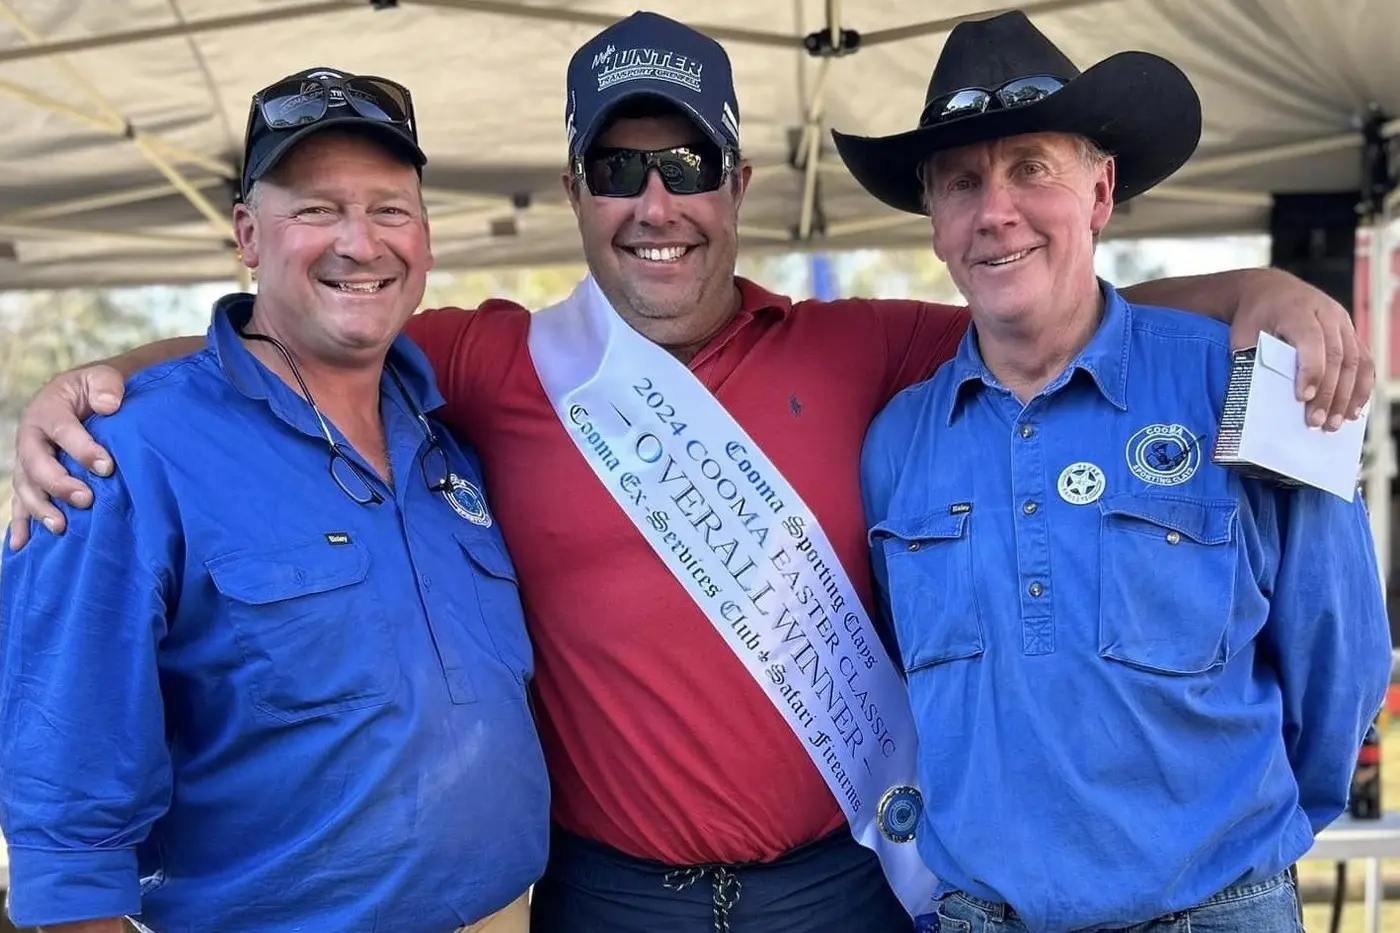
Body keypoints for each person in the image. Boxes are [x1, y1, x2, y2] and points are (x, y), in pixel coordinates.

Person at [3, 12, 1376, 933]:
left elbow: (1035, 304)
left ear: (734, 184)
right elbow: (311, 333)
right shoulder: (492, 363)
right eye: (619, 166)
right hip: (607, 901)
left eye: (685, 163)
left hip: (844, 888)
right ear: (577, 189)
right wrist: (99, 380)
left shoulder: (873, 354)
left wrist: (1265, 286)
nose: (654, 202)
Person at [846, 11, 1393, 933]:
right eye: (962, 183)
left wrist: (1236, 858)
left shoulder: (1248, 383)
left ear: (1099, 192)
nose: (997, 211)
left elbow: (1341, 658)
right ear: (935, 222)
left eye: (1032, 168)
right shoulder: (896, 442)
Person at [0, 68, 545, 933]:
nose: (359, 242)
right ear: (248, 234)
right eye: (316, 208)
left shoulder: (449, 437)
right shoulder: (119, 457)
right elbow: (67, 835)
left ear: (428, 238)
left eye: (389, 208)